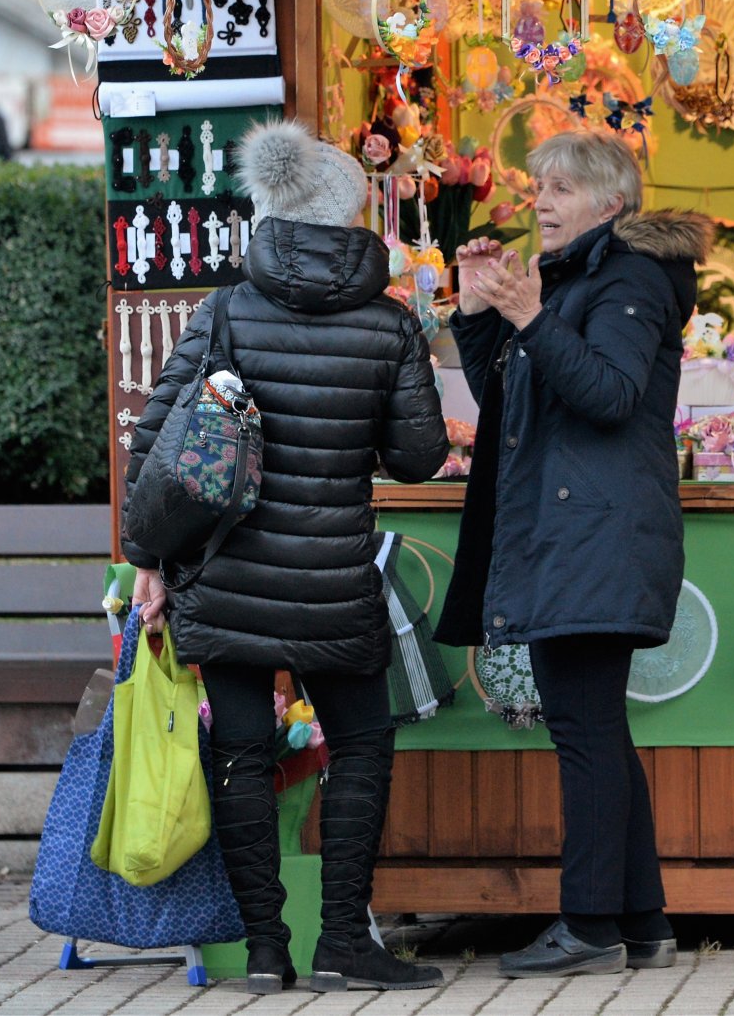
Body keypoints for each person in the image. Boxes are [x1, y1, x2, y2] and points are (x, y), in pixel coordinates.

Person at [121, 119, 448, 995]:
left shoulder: (222, 311)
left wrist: (147, 559)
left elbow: (155, 442)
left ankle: (266, 950)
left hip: (224, 577)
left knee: (240, 751)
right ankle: (345, 938)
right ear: (350, 220)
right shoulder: (389, 325)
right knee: (363, 743)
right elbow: (419, 458)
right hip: (334, 579)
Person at [437, 130, 711, 979]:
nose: (540, 203)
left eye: (559, 189)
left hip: (597, 532)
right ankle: (643, 920)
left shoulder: (629, 278)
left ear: (610, 204)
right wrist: (482, 310)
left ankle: (590, 923)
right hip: (573, 533)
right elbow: (509, 398)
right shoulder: (568, 281)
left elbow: (609, 395)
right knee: (596, 728)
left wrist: (529, 314)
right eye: (537, 188)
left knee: (584, 730)